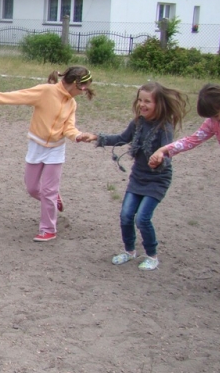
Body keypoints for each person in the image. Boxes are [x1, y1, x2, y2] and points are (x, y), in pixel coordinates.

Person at [149, 83, 220, 298]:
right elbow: (193, 139)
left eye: (217, 114)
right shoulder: (214, 121)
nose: (216, 120)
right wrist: (165, 150)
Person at [77, 82, 187, 271]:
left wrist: (159, 159)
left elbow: (168, 152)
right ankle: (129, 251)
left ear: (159, 104)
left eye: (147, 101)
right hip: (138, 177)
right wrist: (96, 137)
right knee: (126, 215)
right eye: (140, 100)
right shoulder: (138, 122)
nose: (142, 105)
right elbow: (121, 138)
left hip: (157, 179)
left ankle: (152, 255)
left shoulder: (165, 126)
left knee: (142, 218)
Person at [0, 66, 94, 242]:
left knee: (48, 191)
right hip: (36, 146)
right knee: (32, 188)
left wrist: (78, 136)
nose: (83, 92)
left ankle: (48, 229)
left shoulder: (72, 103)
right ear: (74, 84)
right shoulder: (46, 91)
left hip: (56, 149)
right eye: (83, 88)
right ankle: (54, 199)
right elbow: (18, 96)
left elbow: (69, 127)